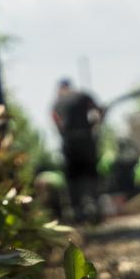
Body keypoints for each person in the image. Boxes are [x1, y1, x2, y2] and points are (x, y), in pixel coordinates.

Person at [52, 78, 102, 223]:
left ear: (61, 88)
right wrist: (95, 126)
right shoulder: (83, 96)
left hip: (69, 143)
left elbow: (55, 119)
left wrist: (62, 133)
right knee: (90, 175)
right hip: (86, 140)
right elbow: (99, 111)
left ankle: (77, 213)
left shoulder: (57, 102)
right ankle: (94, 208)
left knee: (73, 178)